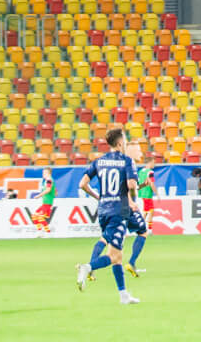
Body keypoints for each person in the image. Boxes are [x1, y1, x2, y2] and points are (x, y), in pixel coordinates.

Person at [75, 128, 143, 304]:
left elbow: (82, 184)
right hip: (118, 212)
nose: (126, 143)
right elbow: (131, 184)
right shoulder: (127, 161)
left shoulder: (99, 161)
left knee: (117, 257)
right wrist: (134, 190)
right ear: (120, 143)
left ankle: (123, 295)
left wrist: (98, 196)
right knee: (113, 256)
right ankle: (87, 267)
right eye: (125, 140)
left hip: (103, 211)